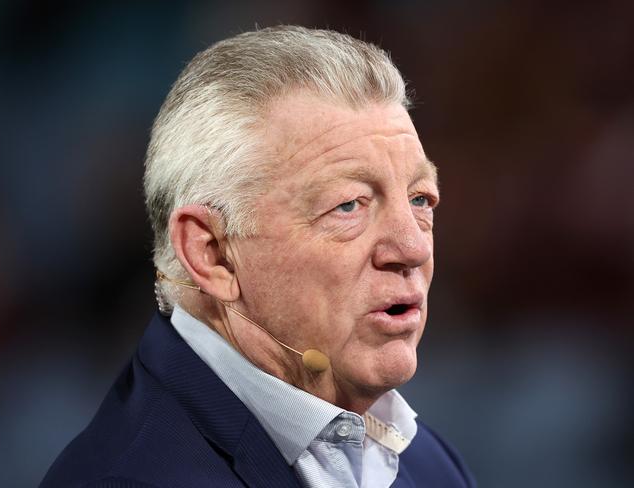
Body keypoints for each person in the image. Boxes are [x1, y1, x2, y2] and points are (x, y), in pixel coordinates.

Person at [41, 25, 475, 488]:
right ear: (212, 254)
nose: (412, 248)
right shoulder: (131, 477)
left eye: (420, 200)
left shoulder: (429, 464)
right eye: (348, 205)